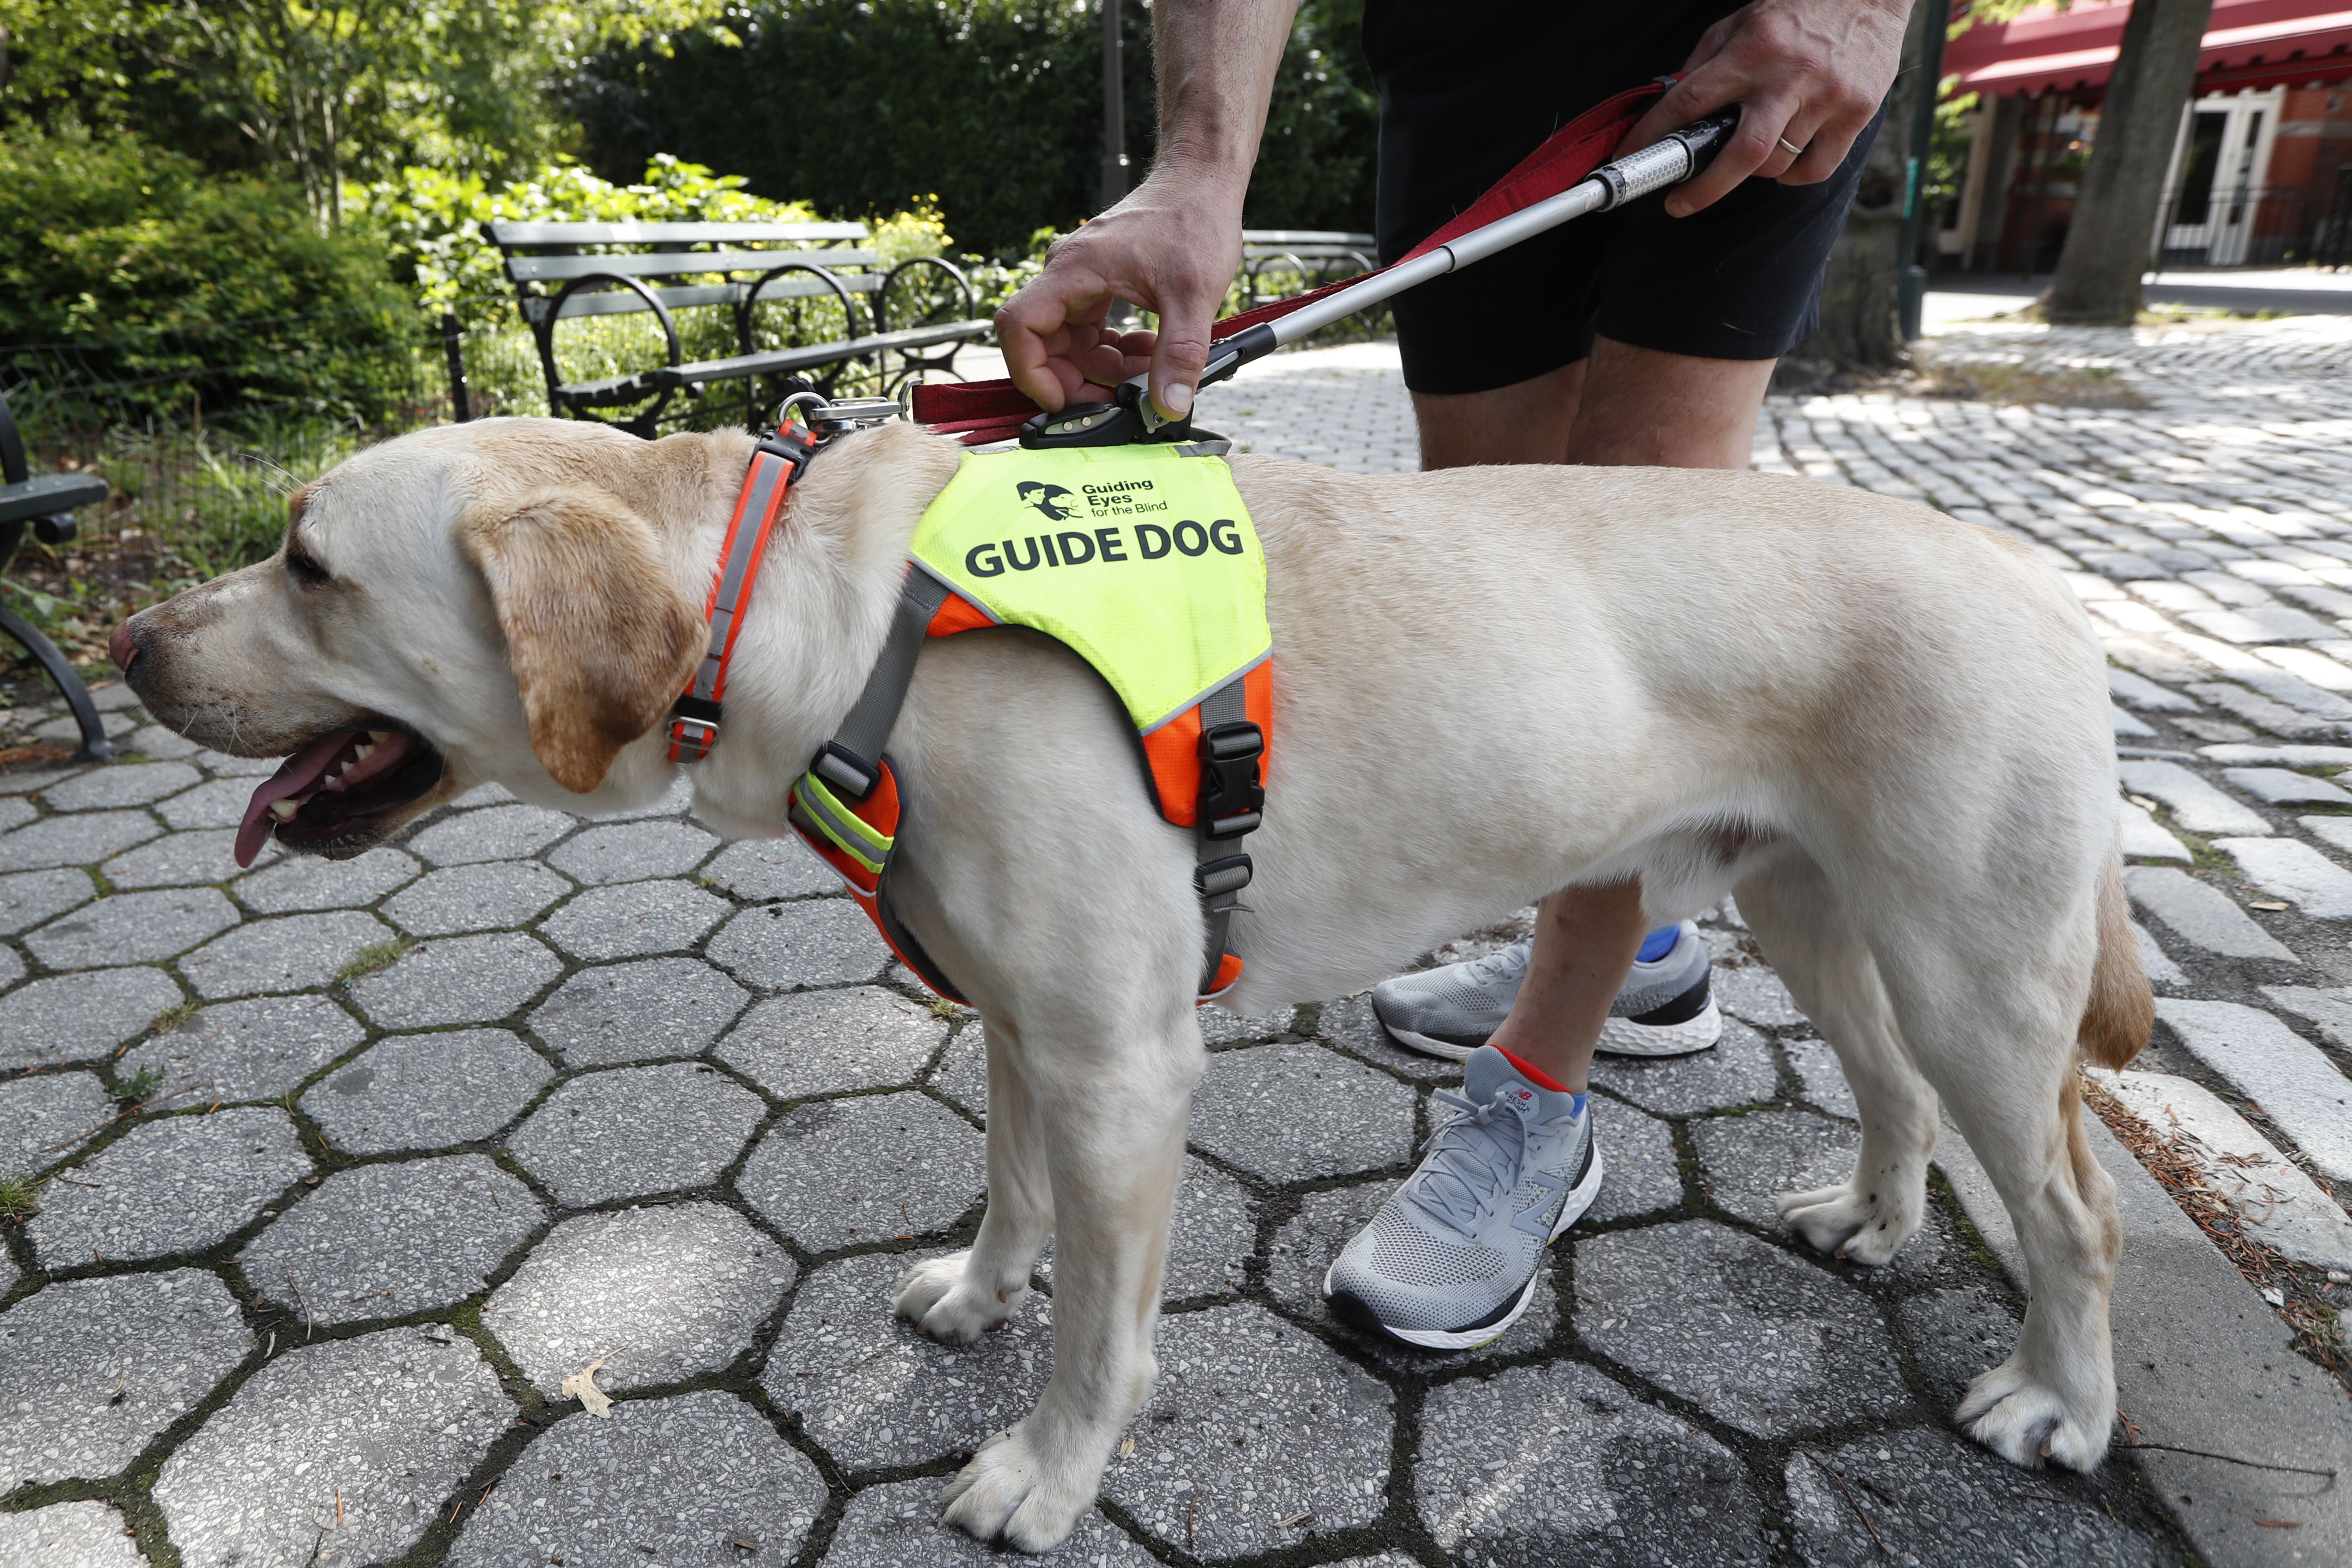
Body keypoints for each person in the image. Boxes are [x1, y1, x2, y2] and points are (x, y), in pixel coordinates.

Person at [995, 0, 1917, 1348]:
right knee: (1490, 568)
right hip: (1463, 50)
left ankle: (1543, 1083)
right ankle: (1638, 941)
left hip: (1734, 30)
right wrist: (1197, 166)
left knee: (1642, 579)